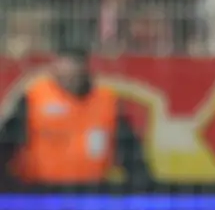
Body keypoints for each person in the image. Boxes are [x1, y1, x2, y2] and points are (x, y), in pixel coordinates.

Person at [0, 48, 152, 186]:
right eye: (64, 67)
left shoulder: (107, 102)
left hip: (90, 193)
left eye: (75, 67)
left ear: (86, 68)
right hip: (41, 193)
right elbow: (7, 143)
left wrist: (144, 187)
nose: (70, 76)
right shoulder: (35, 98)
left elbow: (129, 151)